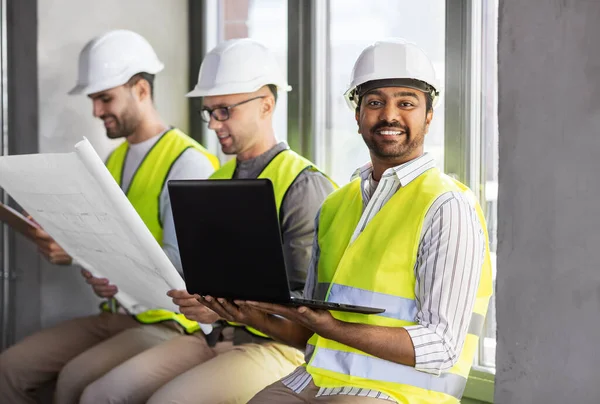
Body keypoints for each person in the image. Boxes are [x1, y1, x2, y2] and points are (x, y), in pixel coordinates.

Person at [194, 38, 493, 404]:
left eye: (406, 103)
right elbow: (312, 333)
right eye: (375, 102)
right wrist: (249, 316)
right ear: (358, 116)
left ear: (428, 116)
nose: (390, 115)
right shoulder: (337, 204)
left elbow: (442, 347)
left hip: (399, 393)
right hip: (317, 380)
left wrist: (334, 327)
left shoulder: (447, 205)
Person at [73, 38, 336, 404]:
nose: (213, 124)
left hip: (276, 348)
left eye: (224, 111)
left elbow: (305, 314)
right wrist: (199, 299)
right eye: (209, 112)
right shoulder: (215, 181)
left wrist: (226, 306)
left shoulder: (304, 186)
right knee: (102, 394)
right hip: (213, 335)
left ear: (266, 104)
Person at [0, 29, 219, 404]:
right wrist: (72, 249)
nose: (96, 111)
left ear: (141, 90)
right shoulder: (112, 161)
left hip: (169, 323)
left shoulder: (189, 164)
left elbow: (187, 270)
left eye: (104, 98)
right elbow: (106, 240)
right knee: (9, 367)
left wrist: (116, 274)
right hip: (118, 313)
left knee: (75, 382)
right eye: (94, 100)